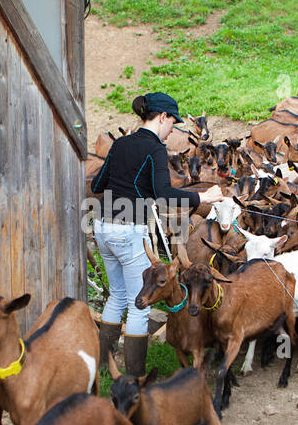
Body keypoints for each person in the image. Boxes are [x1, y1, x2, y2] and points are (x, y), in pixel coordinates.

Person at [90, 92, 224, 376]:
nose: (172, 131)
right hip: (128, 230)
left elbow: (99, 183)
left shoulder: (121, 143)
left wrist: (133, 186)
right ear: (162, 117)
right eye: (172, 124)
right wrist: (203, 197)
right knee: (140, 304)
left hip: (102, 225)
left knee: (117, 296)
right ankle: (135, 376)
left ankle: (105, 365)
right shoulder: (155, 149)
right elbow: (163, 195)